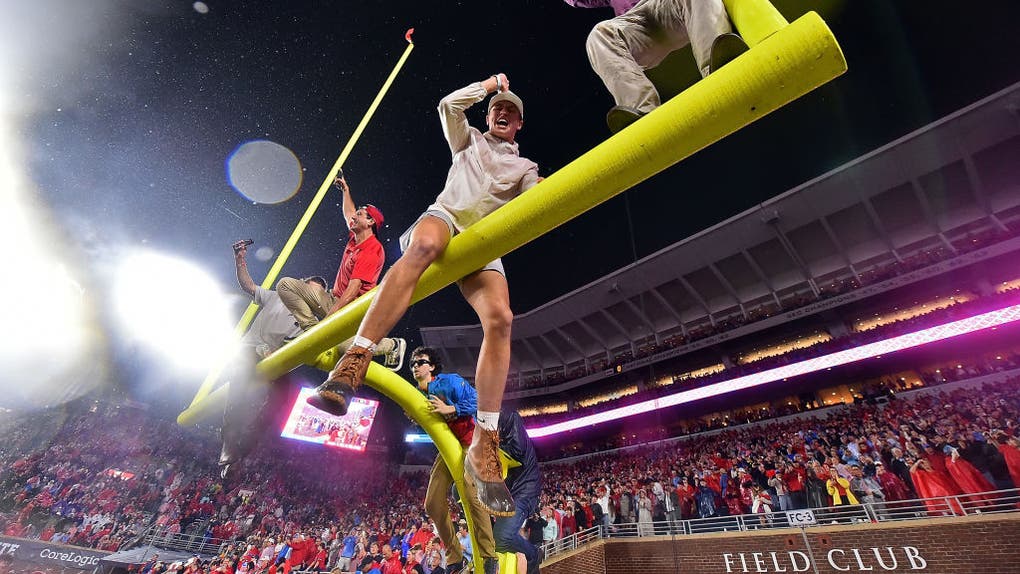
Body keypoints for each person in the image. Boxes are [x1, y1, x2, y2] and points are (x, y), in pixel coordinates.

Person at [311, 73, 541, 516]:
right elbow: (448, 105)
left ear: (518, 126)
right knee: (426, 245)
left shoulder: (524, 168)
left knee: (501, 319)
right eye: (498, 108)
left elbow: (535, 205)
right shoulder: (468, 139)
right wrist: (491, 84)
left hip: (483, 241)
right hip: (445, 219)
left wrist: (542, 187)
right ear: (490, 114)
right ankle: (353, 360)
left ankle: (485, 442)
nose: (502, 113)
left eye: (511, 112)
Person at [276, 171, 406, 370]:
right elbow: (348, 213)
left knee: (345, 346)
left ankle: (392, 345)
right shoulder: (355, 237)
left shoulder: (372, 249)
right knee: (285, 284)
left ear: (370, 222)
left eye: (360, 215)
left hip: (350, 309)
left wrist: (327, 322)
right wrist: (345, 190)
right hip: (334, 298)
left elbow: (352, 291)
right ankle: (311, 331)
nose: (354, 217)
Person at [564, 0, 746, 132]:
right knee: (599, 35)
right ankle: (641, 110)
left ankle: (717, 65)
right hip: (636, 25)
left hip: (672, 7)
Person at [405, 347, 498, 574]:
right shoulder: (417, 395)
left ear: (432, 366)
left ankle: (489, 556)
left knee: (469, 492)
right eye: (413, 364)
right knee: (432, 504)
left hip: (471, 441)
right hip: (448, 448)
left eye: (421, 362)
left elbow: (479, 399)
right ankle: (454, 555)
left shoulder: (450, 381)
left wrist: (452, 408)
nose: (416, 366)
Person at [218, 240, 305, 479]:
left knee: (284, 400)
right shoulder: (277, 296)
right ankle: (229, 441)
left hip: (274, 359)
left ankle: (243, 448)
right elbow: (248, 285)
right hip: (251, 349)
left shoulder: (310, 321)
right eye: (307, 286)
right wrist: (240, 260)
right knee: (238, 388)